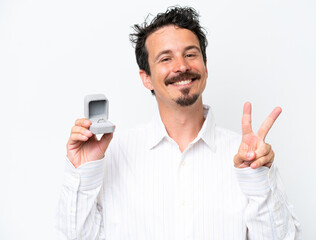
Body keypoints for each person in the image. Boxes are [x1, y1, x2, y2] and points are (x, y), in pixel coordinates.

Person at [57, 6, 301, 240]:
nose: (182, 66)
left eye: (190, 54)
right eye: (166, 58)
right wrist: (83, 173)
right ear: (146, 78)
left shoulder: (248, 156)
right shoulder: (113, 153)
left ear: (205, 67)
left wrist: (257, 178)